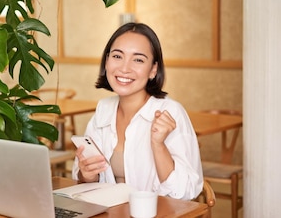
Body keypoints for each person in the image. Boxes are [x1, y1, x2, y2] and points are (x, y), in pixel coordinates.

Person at [72, 22, 203, 200]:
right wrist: (87, 174)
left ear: (153, 70)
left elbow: (185, 192)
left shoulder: (170, 112)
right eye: (117, 56)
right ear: (107, 60)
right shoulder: (104, 109)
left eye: (138, 59)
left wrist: (158, 145)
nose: (124, 68)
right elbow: (84, 178)